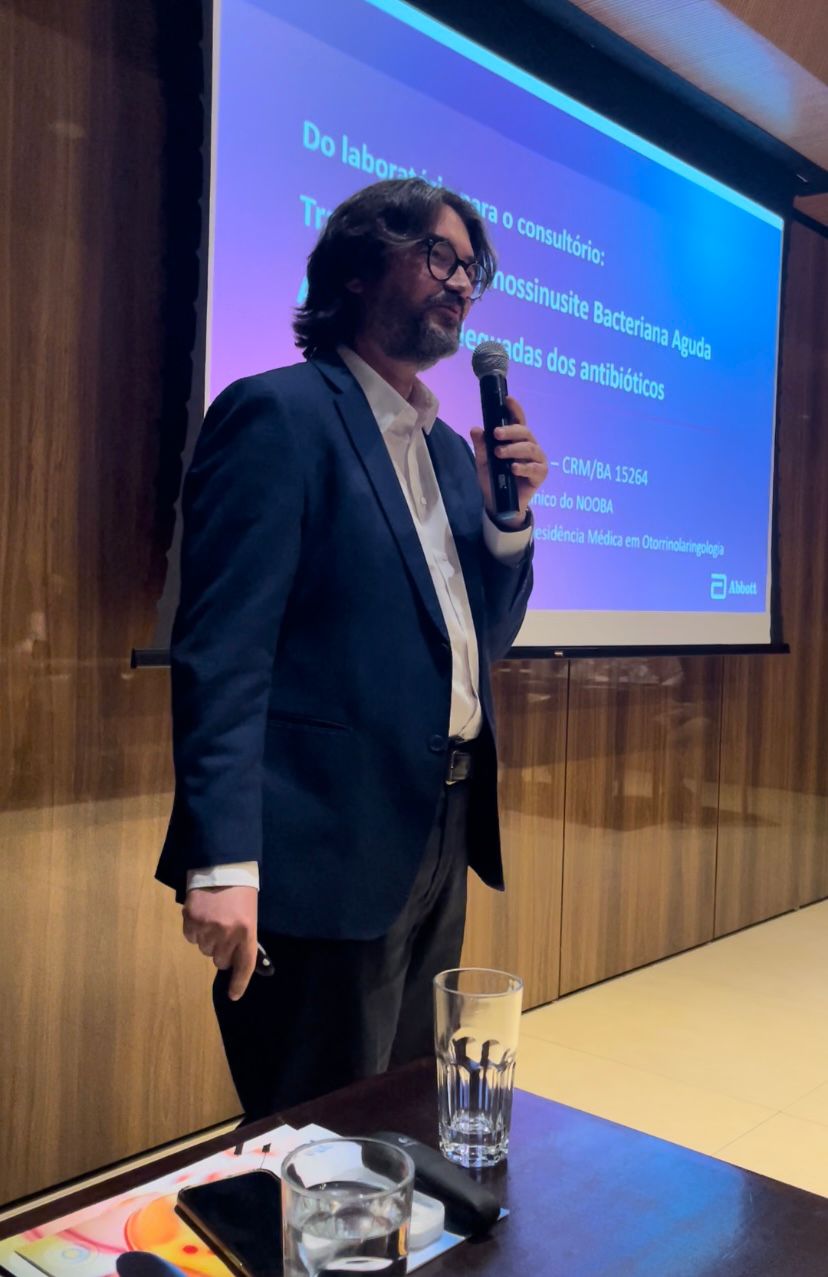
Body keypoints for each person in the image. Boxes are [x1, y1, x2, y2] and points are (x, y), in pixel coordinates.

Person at [156, 178, 549, 1118]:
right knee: (316, 1132)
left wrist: (510, 523)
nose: (461, 283)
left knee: (402, 1114)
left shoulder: (450, 453)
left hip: (437, 826)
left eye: (472, 268)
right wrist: (223, 860)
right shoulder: (280, 414)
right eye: (439, 256)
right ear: (360, 268)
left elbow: (478, 641)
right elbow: (224, 651)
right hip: (323, 843)